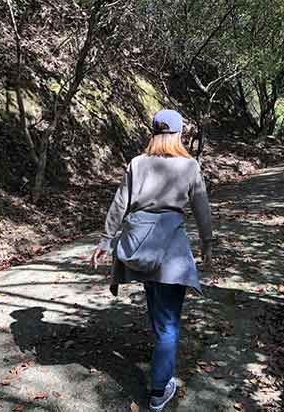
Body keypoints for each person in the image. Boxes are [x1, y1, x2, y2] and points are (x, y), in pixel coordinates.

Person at [90, 109, 214, 412]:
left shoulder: (137, 163)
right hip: (171, 247)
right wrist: (208, 243)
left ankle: (161, 356)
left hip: (140, 244)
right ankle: (159, 391)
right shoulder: (189, 165)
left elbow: (120, 202)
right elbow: (201, 207)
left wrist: (107, 240)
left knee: (158, 311)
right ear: (179, 134)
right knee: (169, 323)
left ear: (154, 132)